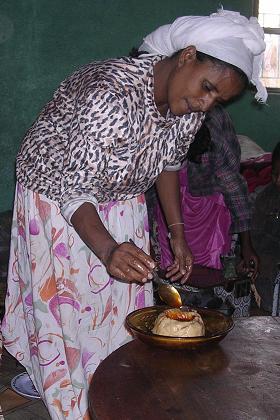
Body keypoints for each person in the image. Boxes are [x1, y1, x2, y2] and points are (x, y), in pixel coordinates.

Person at [2, 9, 266, 419]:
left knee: (118, 303)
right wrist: (107, 249)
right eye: (207, 87)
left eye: (218, 99)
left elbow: (168, 164)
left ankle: (104, 381)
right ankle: (67, 398)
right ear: (187, 56)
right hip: (56, 194)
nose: (205, 102)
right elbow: (74, 190)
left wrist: (177, 234)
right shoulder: (111, 94)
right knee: (69, 302)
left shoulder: (190, 108)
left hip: (121, 194)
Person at [153, 105, 259, 280]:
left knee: (207, 274)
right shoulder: (164, 115)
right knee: (171, 268)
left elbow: (233, 184)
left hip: (208, 212)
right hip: (170, 207)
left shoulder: (215, 124)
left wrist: (246, 244)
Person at [251, 142, 280, 312]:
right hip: (268, 264)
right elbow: (256, 234)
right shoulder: (265, 198)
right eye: (275, 174)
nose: (278, 181)